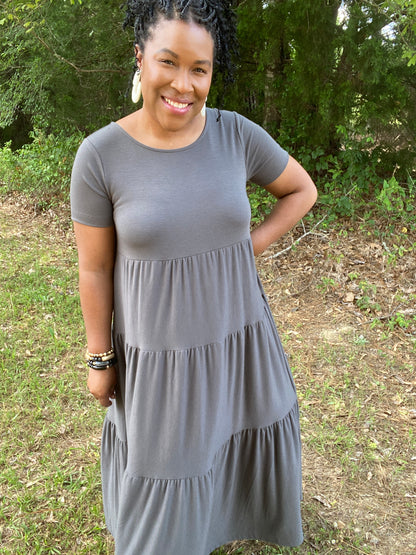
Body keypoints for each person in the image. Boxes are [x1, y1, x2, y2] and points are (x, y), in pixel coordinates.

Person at [70, 1, 317, 553]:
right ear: (140, 58)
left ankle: (224, 521)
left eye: (199, 69)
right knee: (166, 462)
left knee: (235, 432)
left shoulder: (236, 135)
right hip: (162, 354)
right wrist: (99, 359)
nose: (184, 84)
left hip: (238, 334)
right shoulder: (100, 157)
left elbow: (302, 191)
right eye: (169, 62)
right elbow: (95, 267)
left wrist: (244, 247)